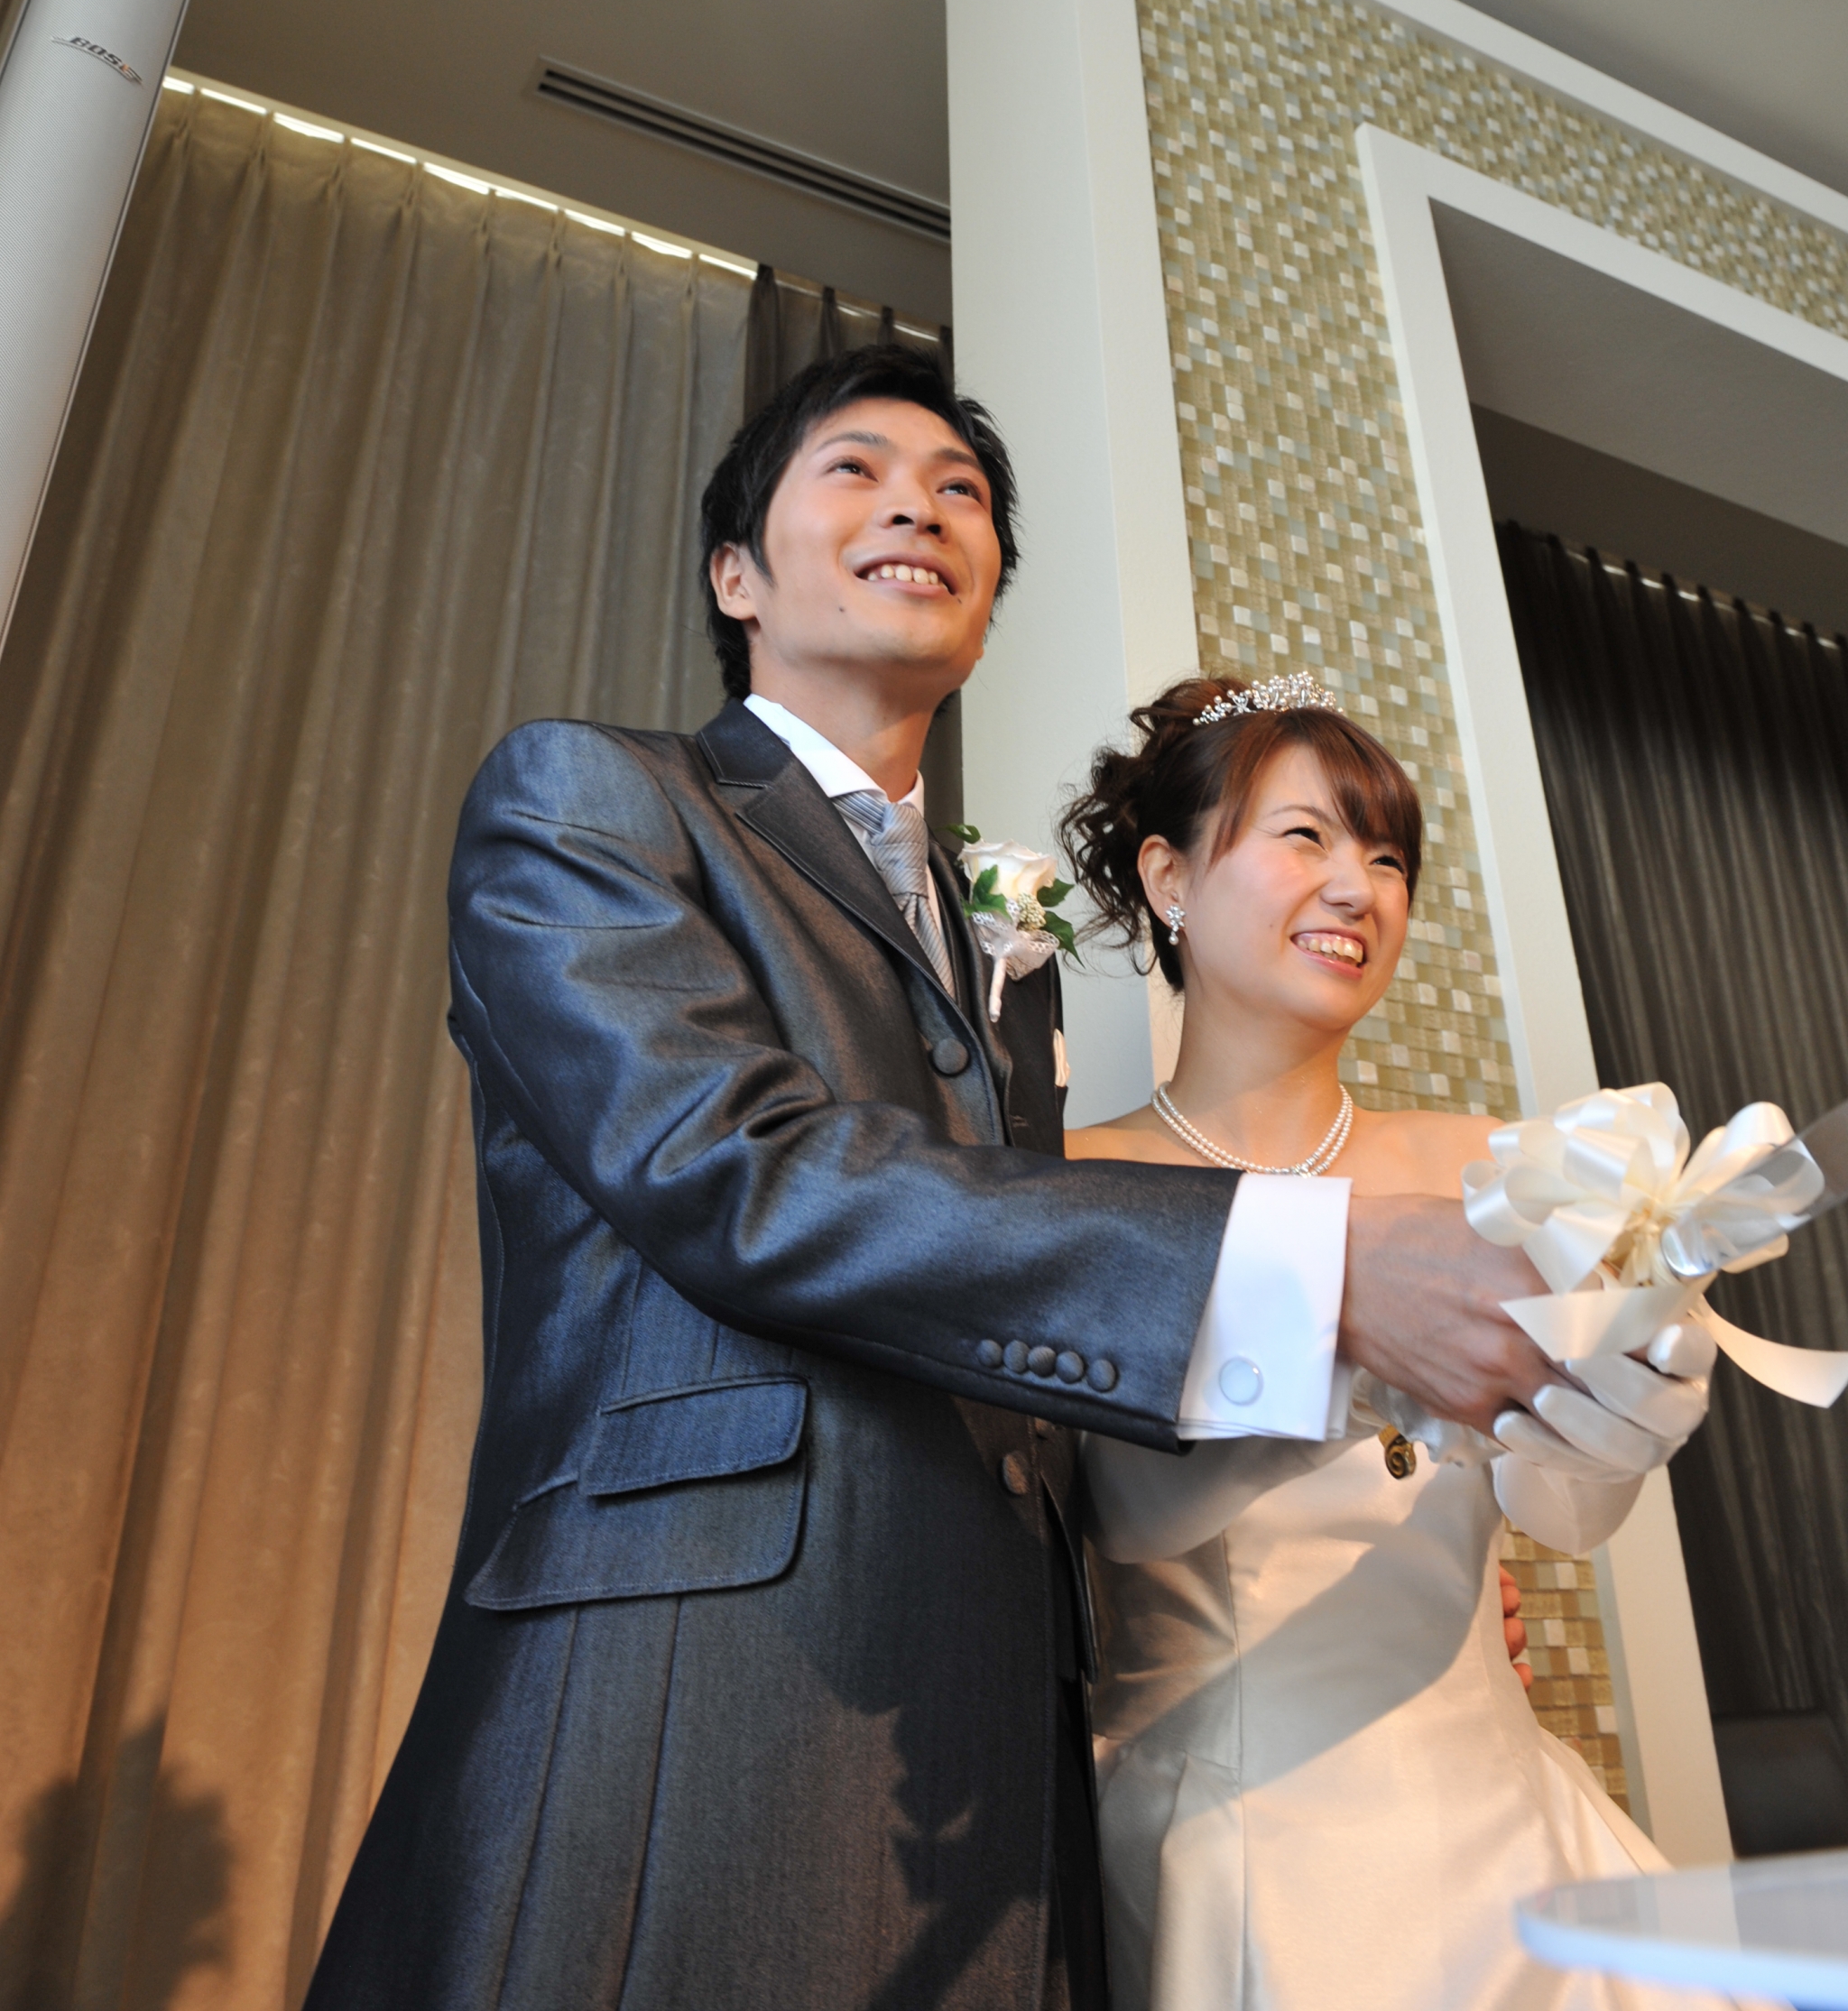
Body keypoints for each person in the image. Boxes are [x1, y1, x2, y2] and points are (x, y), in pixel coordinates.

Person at [304, 349, 1692, 2011]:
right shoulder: (596, 800)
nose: (919, 504)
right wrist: (1324, 1274)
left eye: (959, 489)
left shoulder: (998, 972)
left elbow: (1012, 1342)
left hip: (991, 1770)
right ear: (735, 574)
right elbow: (740, 1169)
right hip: (699, 1686)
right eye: (857, 470)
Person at [1062, 677, 1728, 2011]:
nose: (1356, 889)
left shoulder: (1491, 1166)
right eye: (1305, 836)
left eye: (1387, 858)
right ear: (1169, 877)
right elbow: (1105, 1515)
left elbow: (1563, 1507)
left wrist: (1635, 1394)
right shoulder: (1074, 1186)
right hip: (1237, 1840)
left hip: (1502, 1818)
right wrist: (1361, 1348)